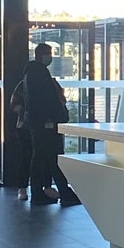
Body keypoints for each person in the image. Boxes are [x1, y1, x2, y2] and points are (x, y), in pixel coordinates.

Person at [22, 43, 80, 207]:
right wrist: (53, 117)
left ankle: (38, 193)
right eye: (49, 54)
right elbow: (46, 100)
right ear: (43, 55)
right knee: (54, 156)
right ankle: (64, 192)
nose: (50, 57)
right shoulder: (39, 73)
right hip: (45, 122)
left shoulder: (30, 72)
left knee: (39, 156)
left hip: (35, 121)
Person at [7, 76, 33, 201]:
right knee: (27, 156)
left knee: (26, 157)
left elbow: (13, 104)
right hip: (31, 126)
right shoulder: (24, 85)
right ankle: (43, 187)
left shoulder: (23, 84)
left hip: (24, 125)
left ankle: (23, 188)